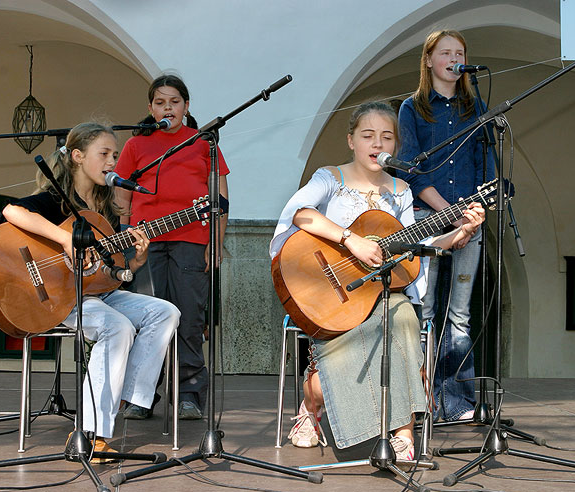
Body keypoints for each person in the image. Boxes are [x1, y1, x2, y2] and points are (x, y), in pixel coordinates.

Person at [269, 101, 485, 459]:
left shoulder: (400, 190)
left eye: (387, 137)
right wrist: (349, 239)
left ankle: (403, 432)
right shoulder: (330, 177)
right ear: (351, 140)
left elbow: (415, 244)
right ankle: (310, 410)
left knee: (402, 317)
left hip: (380, 295)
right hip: (333, 296)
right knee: (323, 389)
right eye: (368, 135)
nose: (377, 144)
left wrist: (459, 233)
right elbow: (300, 214)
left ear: (396, 147)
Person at [1, 122, 180, 461]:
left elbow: (111, 275)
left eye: (115, 155)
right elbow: (11, 211)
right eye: (105, 154)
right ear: (79, 156)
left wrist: (137, 261)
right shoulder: (54, 199)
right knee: (118, 327)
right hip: (61, 296)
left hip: (99, 295)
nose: (113, 161)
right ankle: (89, 431)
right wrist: (64, 239)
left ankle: (126, 395)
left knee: (166, 311)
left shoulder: (106, 210)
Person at [115, 74, 230, 420]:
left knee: (189, 317)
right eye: (161, 103)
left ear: (186, 106)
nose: (168, 108)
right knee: (146, 318)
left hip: (192, 240)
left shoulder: (202, 143)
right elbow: (122, 195)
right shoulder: (136, 146)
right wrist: (125, 243)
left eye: (175, 102)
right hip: (145, 245)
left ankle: (189, 392)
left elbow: (220, 197)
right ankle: (142, 395)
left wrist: (216, 243)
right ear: (150, 108)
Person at [395, 29, 495, 422]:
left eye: (460, 53)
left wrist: (478, 210)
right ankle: (423, 399)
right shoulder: (413, 108)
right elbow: (410, 169)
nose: (454, 58)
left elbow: (488, 165)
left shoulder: (476, 107)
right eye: (446, 52)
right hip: (428, 218)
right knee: (426, 310)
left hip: (471, 218)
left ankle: (457, 401)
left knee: (460, 315)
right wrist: (447, 211)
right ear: (429, 60)